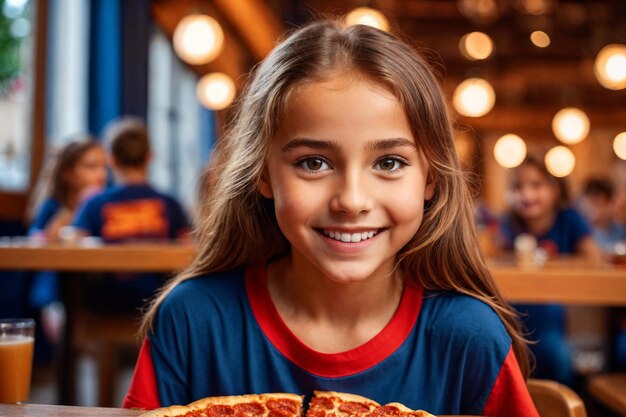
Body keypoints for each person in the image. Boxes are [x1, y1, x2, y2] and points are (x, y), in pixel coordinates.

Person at [123, 20, 538, 416]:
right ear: (263, 173)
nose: (352, 200)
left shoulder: (470, 336)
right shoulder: (193, 319)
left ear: (431, 178)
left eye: (390, 162)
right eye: (314, 162)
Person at [499, 156, 602, 386]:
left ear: (554, 189)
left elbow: (594, 260)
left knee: (554, 353)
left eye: (536, 185)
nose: (526, 195)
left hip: (555, 322)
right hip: (511, 320)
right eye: (519, 187)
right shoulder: (509, 223)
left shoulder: (569, 220)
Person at [73, 117, 190, 311]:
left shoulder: (94, 204)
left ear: (111, 160)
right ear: (150, 157)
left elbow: (75, 246)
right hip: (160, 303)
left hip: (106, 305)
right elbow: (189, 250)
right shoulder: (171, 205)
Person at [27, 138, 107, 345]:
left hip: (91, 287)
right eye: (91, 166)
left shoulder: (103, 207)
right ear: (67, 173)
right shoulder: (52, 206)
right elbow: (36, 241)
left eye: (103, 166)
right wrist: (76, 210)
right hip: (54, 290)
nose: (101, 174)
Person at [578, 177, 626, 252]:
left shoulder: (622, 229)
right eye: (592, 203)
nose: (595, 209)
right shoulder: (582, 232)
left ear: (611, 203)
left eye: (600, 203)